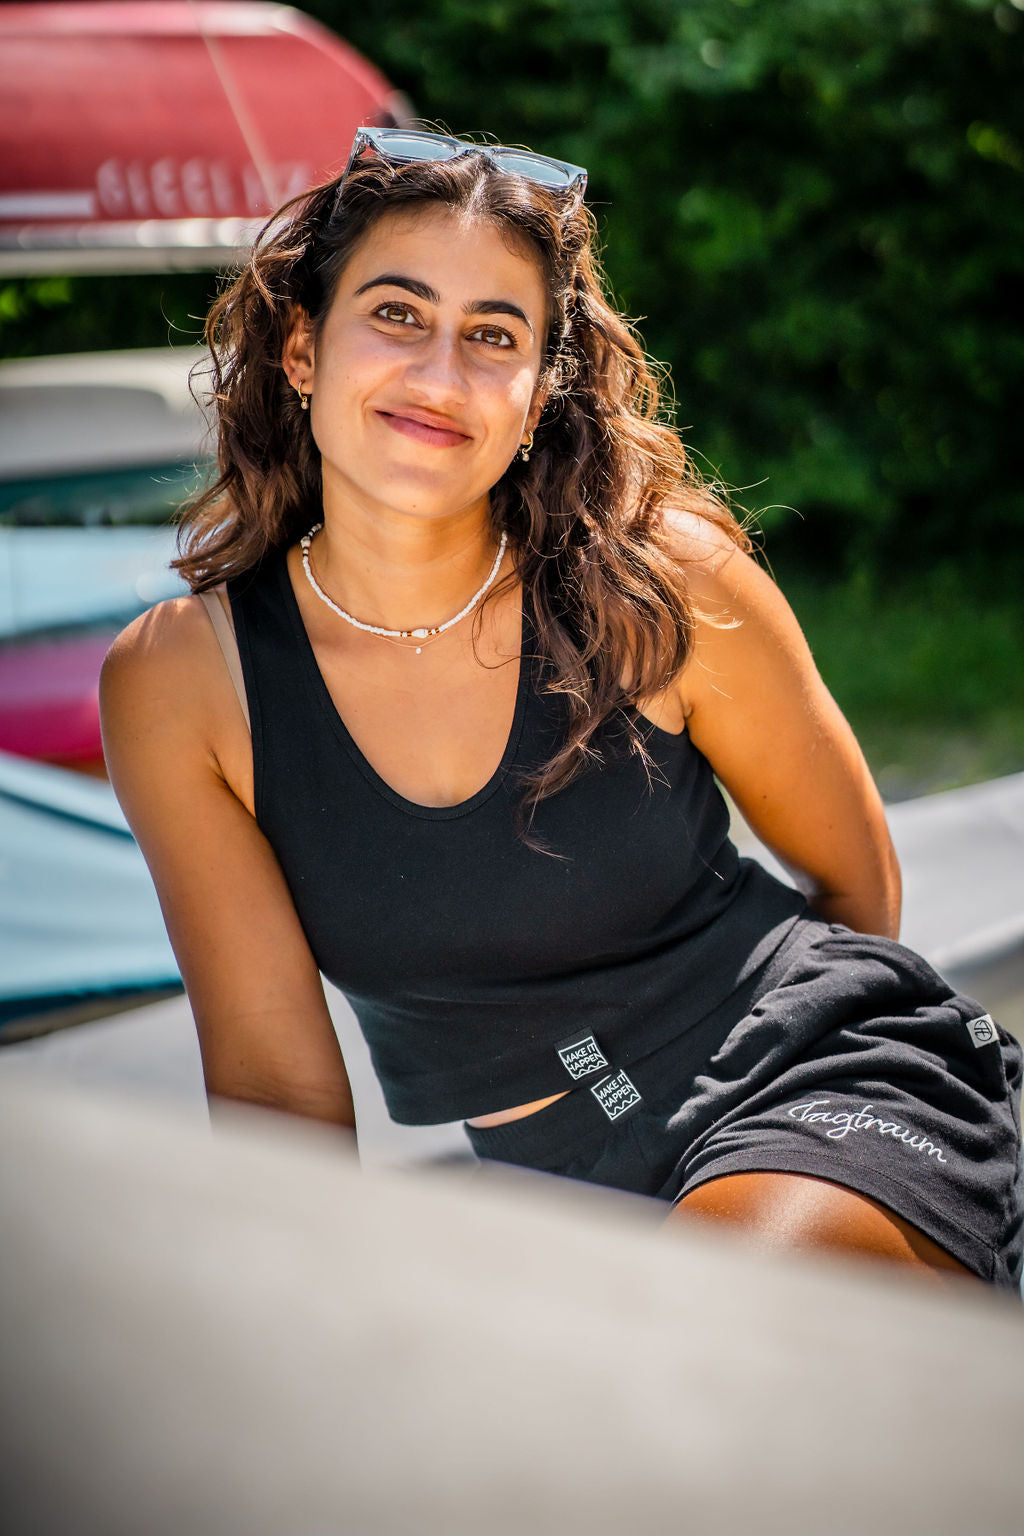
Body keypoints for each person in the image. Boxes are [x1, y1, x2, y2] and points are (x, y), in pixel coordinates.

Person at [100, 127, 1023, 1289]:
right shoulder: (183, 682)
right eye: (396, 313)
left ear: (539, 394)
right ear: (301, 347)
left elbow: (858, 891)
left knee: (726, 1325)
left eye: (494, 337)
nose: (440, 376)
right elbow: (278, 1088)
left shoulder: (658, 580)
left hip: (817, 1088)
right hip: (555, 1193)